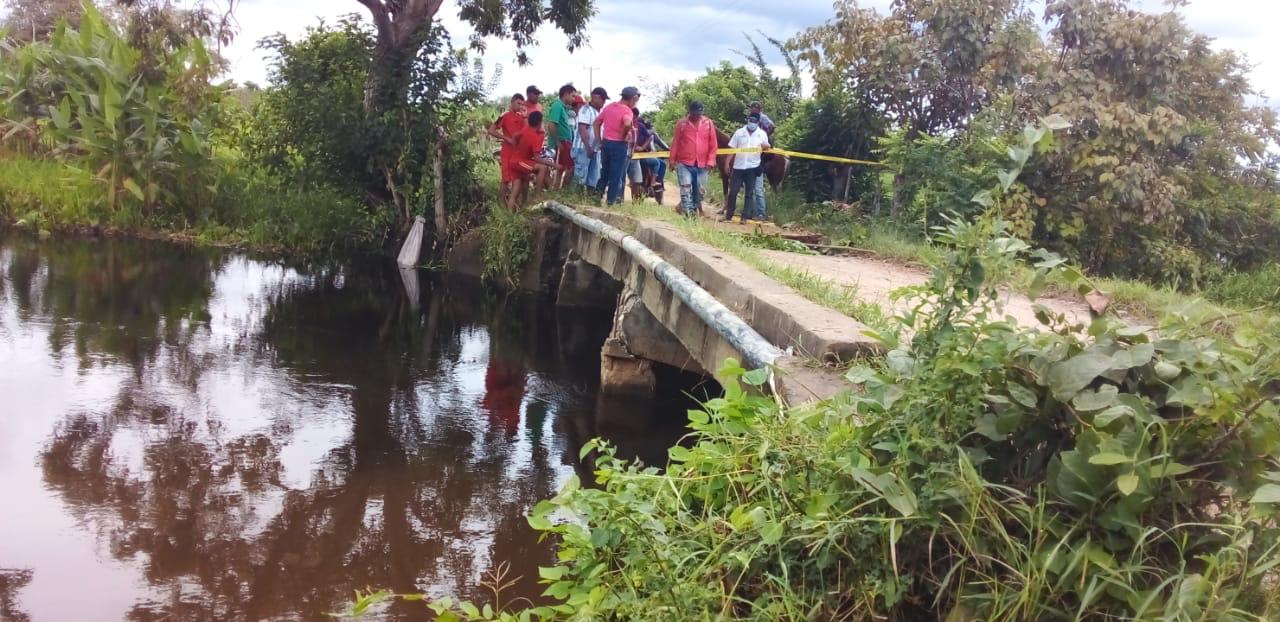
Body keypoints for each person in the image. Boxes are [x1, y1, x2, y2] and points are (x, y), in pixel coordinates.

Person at [668, 101, 718, 217]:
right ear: (689, 112)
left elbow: (713, 144)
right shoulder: (682, 124)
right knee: (685, 188)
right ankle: (688, 214)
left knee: (700, 191)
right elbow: (676, 143)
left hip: (703, 163)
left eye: (698, 114)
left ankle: (693, 208)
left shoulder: (708, 123)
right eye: (694, 114)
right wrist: (672, 160)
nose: (696, 116)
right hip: (684, 162)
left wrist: (711, 160)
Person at [594, 85, 640, 206]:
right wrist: (624, 134)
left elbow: (596, 123)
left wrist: (599, 141)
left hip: (606, 143)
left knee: (604, 172)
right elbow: (627, 123)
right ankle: (611, 203)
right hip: (619, 145)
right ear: (634, 98)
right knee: (616, 175)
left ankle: (596, 198)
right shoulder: (627, 110)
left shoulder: (609, 107)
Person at [506, 111, 560, 211]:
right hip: (519, 162)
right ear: (539, 123)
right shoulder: (534, 136)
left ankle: (510, 215)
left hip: (514, 161)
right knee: (543, 168)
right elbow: (537, 158)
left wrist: (515, 149)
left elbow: (514, 136)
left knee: (516, 190)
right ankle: (537, 194)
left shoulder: (525, 130)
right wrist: (554, 164)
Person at [723, 113, 772, 223]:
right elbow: (731, 149)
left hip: (752, 167)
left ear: (757, 123)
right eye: (750, 121)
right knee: (733, 192)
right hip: (738, 167)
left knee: (749, 194)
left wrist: (766, 147)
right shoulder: (739, 133)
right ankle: (728, 216)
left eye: (754, 122)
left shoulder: (762, 134)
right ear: (747, 121)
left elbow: (767, 147)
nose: (752, 123)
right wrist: (727, 163)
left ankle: (744, 217)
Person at [487, 93, 527, 206]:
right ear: (512, 102)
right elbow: (491, 130)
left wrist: (525, 117)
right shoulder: (504, 115)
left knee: (520, 179)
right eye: (518, 103)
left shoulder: (521, 117)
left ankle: (516, 204)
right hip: (507, 152)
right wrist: (506, 138)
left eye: (522, 104)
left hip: (519, 153)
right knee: (506, 179)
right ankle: (501, 205)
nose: (520, 106)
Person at [572, 87, 607, 190]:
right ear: (595, 97)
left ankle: (589, 202)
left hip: (595, 150)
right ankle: (576, 200)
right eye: (603, 99)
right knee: (580, 177)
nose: (604, 102)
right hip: (584, 148)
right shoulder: (586, 110)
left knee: (593, 179)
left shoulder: (598, 112)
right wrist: (588, 147)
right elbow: (582, 129)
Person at [545, 84, 577, 189]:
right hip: (561, 142)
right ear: (566, 94)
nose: (574, 99)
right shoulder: (557, 106)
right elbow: (551, 124)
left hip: (565, 141)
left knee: (561, 168)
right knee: (569, 167)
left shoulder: (564, 108)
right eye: (572, 96)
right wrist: (557, 141)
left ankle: (557, 190)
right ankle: (563, 190)